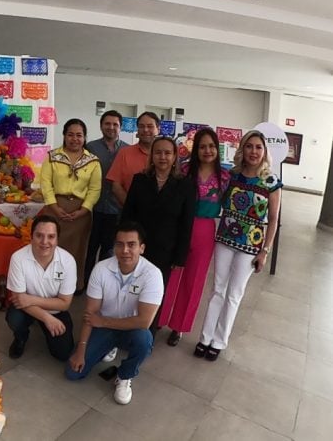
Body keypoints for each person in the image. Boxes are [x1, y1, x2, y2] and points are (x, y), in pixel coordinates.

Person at [196, 130, 282, 361]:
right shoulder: (230, 175)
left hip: (250, 245)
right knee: (217, 289)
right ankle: (204, 337)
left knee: (234, 294)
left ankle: (219, 341)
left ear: (264, 152)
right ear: (242, 149)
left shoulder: (271, 182)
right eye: (249, 146)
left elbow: (273, 219)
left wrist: (265, 250)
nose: (253, 151)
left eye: (258, 147)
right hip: (225, 238)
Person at [65, 222, 163, 405]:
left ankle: (125, 376)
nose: (125, 250)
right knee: (72, 373)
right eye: (120, 244)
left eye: (131, 244)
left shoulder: (153, 275)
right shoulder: (101, 269)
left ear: (142, 248)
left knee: (144, 339)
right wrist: (81, 349)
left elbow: (143, 322)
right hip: (103, 326)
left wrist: (103, 322)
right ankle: (109, 346)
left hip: (129, 329)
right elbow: (90, 313)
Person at [152, 128, 229, 346]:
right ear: (196, 149)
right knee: (171, 275)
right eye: (203, 146)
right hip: (180, 226)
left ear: (217, 149)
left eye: (212, 146)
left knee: (194, 281)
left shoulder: (225, 176)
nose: (207, 150)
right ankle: (159, 318)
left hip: (205, 230)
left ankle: (179, 327)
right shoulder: (184, 170)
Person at [121, 136, 195, 332]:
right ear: (152, 156)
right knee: (131, 290)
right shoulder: (139, 180)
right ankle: (124, 328)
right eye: (158, 152)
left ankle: (147, 333)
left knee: (154, 293)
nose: (163, 157)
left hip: (166, 251)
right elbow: (128, 214)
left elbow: (186, 224)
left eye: (167, 153)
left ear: (175, 157)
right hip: (138, 248)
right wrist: (124, 245)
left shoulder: (185, 185)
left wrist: (180, 256)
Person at [39, 118, 101, 293]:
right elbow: (46, 184)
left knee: (77, 251)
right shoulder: (52, 157)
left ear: (84, 137)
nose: (75, 139)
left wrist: (84, 209)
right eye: (71, 135)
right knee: (49, 248)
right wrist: (54, 207)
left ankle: (72, 286)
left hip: (80, 213)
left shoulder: (93, 161)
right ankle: (47, 286)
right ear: (64, 136)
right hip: (54, 210)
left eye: (79, 135)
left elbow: (95, 189)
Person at [6, 215, 76, 361]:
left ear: (57, 239)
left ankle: (43, 325)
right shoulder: (18, 258)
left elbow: (65, 303)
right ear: (31, 237)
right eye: (39, 236)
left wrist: (30, 299)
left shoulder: (68, 261)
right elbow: (19, 300)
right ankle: (21, 337)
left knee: (63, 354)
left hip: (52, 309)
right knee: (14, 318)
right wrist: (46, 317)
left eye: (51, 237)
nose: (45, 242)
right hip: (26, 309)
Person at [84, 110, 127, 281]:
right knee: (89, 247)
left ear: (120, 127)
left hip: (116, 209)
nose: (111, 127)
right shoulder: (90, 148)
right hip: (93, 207)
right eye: (107, 124)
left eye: (115, 124)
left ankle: (100, 283)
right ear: (101, 126)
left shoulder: (126, 150)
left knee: (109, 250)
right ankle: (84, 280)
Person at [106, 112, 160, 207]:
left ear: (158, 129)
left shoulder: (166, 155)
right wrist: (132, 208)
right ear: (137, 130)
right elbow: (116, 186)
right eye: (141, 126)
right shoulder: (124, 153)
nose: (145, 130)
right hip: (130, 215)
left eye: (150, 126)